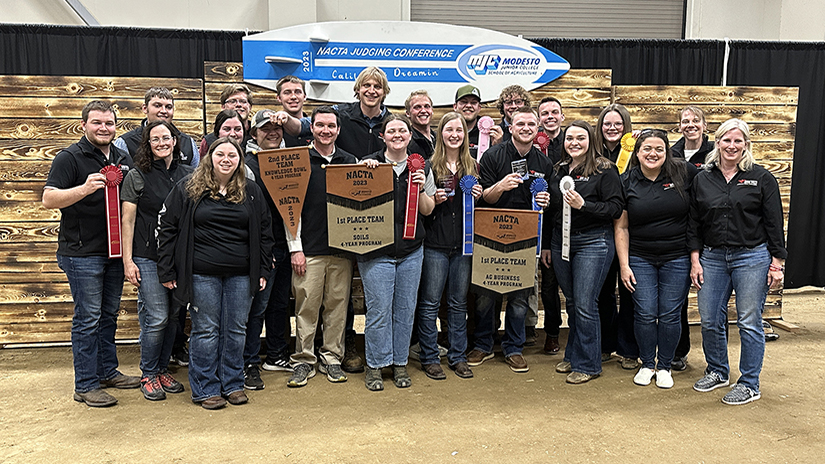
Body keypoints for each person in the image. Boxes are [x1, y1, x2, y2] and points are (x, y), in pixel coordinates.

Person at [157, 137, 274, 410]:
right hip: (201, 273)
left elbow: (265, 233)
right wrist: (166, 268)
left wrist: (263, 269)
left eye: (232, 155)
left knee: (236, 330)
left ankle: (232, 384)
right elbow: (167, 229)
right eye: (220, 154)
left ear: (239, 160)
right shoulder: (188, 189)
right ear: (210, 158)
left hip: (241, 275)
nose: (226, 159)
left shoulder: (252, 191)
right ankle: (205, 387)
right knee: (206, 330)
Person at [43, 100, 139, 407]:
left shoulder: (123, 157)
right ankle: (85, 384)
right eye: (97, 122)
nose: (103, 128)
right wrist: (84, 189)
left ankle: (107, 371)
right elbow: (48, 198)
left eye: (109, 123)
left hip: (113, 251)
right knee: (88, 318)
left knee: (108, 315)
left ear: (115, 126)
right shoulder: (68, 157)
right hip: (81, 253)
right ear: (84, 124)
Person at [688, 118, 786, 405]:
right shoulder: (702, 178)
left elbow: (773, 222)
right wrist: (696, 260)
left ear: (746, 145)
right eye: (726, 140)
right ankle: (718, 370)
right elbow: (694, 222)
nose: (731, 146)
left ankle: (749, 383)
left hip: (752, 257)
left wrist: (777, 262)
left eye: (737, 141)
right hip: (713, 256)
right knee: (709, 318)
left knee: (749, 320)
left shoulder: (762, 177)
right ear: (716, 143)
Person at [467, 107, 551, 374]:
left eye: (531, 124)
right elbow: (484, 197)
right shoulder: (492, 156)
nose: (526, 128)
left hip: (525, 238)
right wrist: (500, 185)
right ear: (511, 127)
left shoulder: (544, 163)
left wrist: (545, 202)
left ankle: (514, 347)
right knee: (485, 294)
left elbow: (547, 206)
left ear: (537, 128)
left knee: (519, 296)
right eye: (520, 124)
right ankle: (483, 343)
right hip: (491, 234)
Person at [614, 129, 696, 389]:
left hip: (677, 257)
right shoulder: (626, 181)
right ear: (636, 153)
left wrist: (695, 258)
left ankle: (665, 366)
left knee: (671, 314)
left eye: (659, 149)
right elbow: (621, 227)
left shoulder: (685, 173)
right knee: (646, 313)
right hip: (640, 258)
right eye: (647, 149)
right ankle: (647, 363)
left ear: (667, 152)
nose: (653, 153)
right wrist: (624, 265)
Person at [359, 114, 436, 391]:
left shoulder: (421, 167)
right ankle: (376, 364)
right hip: (375, 252)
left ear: (409, 135)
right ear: (383, 136)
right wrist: (363, 172)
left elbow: (427, 210)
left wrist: (419, 184)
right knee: (379, 310)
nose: (397, 135)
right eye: (391, 130)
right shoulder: (368, 164)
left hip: (411, 250)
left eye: (402, 130)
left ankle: (400, 362)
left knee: (405, 310)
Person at [285, 106, 358, 387]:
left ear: (338, 130)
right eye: (320, 125)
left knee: (337, 307)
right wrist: (296, 248)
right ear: (311, 128)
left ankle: (332, 358)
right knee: (306, 307)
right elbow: (289, 207)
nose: (326, 130)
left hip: (341, 251)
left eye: (331, 126)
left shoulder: (350, 161)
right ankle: (304, 360)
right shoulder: (299, 160)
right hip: (309, 250)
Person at [121, 120, 193, 401]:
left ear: (175, 141)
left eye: (166, 138)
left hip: (179, 259)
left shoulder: (189, 174)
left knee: (175, 317)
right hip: (147, 257)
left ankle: (163, 369)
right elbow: (127, 220)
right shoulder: (138, 176)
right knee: (158, 317)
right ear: (147, 145)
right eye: (155, 139)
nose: (161, 143)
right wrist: (128, 261)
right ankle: (148, 373)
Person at [548, 120, 624, 384]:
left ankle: (589, 364)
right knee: (572, 301)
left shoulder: (605, 170)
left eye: (580, 138)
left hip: (594, 242)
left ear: (591, 140)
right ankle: (574, 353)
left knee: (585, 303)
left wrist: (584, 205)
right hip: (561, 241)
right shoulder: (558, 170)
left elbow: (615, 209)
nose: (574, 143)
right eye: (569, 139)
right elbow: (555, 210)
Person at [330, 66, 393, 374]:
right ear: (358, 89)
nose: (371, 90)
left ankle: (385, 348)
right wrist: (354, 163)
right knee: (343, 285)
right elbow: (327, 142)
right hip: (344, 209)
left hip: (379, 212)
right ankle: (348, 343)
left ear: (384, 91)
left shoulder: (391, 121)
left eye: (377, 86)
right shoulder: (342, 117)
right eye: (366, 85)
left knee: (377, 286)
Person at [417, 112, 483, 380]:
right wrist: (435, 201)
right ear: (440, 134)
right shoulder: (428, 167)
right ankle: (430, 356)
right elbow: (422, 208)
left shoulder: (473, 167)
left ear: (465, 135)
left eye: (459, 130)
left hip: (464, 247)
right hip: (435, 244)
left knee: (458, 304)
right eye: (449, 130)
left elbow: (476, 209)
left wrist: (477, 197)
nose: (454, 135)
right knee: (430, 303)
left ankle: (457, 356)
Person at [241, 109, 295, 391]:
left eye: (276, 128)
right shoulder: (248, 165)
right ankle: (249, 361)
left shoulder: (291, 160)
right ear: (254, 133)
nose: (272, 132)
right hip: (263, 249)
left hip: (287, 245)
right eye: (265, 129)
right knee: (257, 308)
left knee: (278, 305)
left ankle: (276, 354)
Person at [669, 105, 715, 370]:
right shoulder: (670, 153)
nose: (690, 124)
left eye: (695, 120)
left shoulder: (715, 153)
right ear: (679, 126)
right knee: (678, 299)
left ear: (704, 125)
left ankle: (715, 363)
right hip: (678, 233)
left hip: (706, 234)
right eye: (685, 120)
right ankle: (678, 351)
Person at [593, 103, 638, 369]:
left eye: (618, 124)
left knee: (630, 291)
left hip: (632, 230)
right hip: (601, 230)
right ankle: (606, 345)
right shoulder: (592, 154)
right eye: (607, 124)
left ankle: (629, 350)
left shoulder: (636, 150)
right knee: (604, 292)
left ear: (626, 126)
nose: (612, 128)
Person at [533, 96, 566, 353]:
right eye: (545, 113)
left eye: (555, 112)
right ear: (539, 119)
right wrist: (544, 243)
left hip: (575, 226)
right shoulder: (532, 147)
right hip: (547, 228)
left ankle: (580, 333)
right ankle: (552, 333)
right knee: (548, 285)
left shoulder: (574, 142)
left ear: (562, 116)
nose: (550, 116)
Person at [114, 87, 199, 167]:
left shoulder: (188, 143)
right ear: (145, 108)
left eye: (168, 107)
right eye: (157, 106)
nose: (163, 111)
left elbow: (197, 178)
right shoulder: (125, 143)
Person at [199, 84, 253, 155]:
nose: (238, 104)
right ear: (223, 107)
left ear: (250, 106)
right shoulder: (208, 141)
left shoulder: (258, 135)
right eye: (232, 101)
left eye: (243, 101)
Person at [276, 75, 313, 147]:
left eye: (298, 92)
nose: (293, 97)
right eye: (287, 92)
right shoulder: (274, 131)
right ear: (279, 98)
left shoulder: (315, 127)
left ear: (304, 96)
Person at [453, 84, 483, 159]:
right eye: (464, 102)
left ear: (479, 108)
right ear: (455, 107)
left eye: (473, 103)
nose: (469, 106)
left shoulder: (487, 131)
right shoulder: (446, 131)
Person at [405, 90, 436, 158]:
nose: (423, 111)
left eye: (427, 106)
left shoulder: (440, 138)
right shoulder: (407, 142)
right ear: (408, 113)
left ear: (432, 110)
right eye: (417, 107)